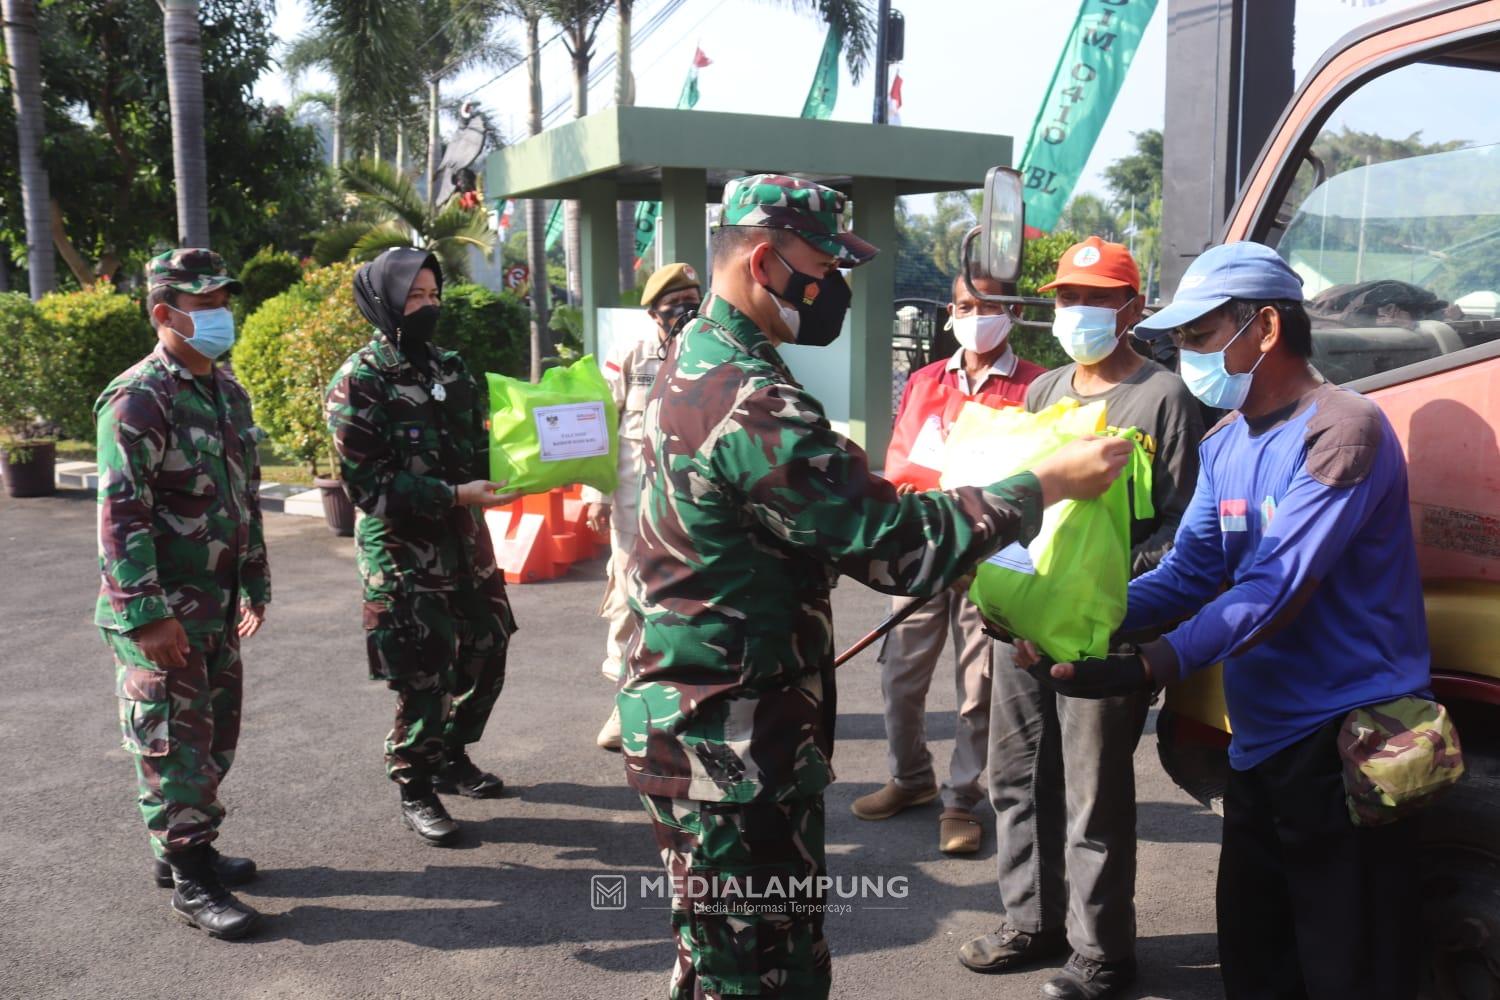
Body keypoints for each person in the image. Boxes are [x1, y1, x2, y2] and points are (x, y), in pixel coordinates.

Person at [620, 173, 1133, 1000]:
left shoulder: (697, 359)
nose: (837, 289)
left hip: (700, 713)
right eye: (827, 266)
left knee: (717, 952)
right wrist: (1043, 485)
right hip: (733, 736)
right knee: (760, 973)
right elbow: (892, 547)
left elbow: (789, 522)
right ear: (766, 261)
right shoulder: (751, 399)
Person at [1027, 241, 1431, 999]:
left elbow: (1275, 588)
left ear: (1266, 329)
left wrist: (1150, 665)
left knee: (1347, 966)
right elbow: (1190, 573)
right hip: (1261, 742)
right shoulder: (1224, 442)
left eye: (1199, 336)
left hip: (1347, 745)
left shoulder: (1342, 431)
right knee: (1257, 958)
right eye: (1178, 340)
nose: (1185, 356)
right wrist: (1079, 622)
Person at [962, 236, 1204, 999]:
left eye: (1097, 298)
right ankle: (1029, 921)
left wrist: (1104, 594)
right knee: (1015, 775)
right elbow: (1021, 504)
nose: (1079, 311)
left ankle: (1102, 952)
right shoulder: (1046, 390)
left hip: (1104, 628)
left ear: (1132, 309)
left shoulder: (1163, 397)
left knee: (1094, 793)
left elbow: (1178, 525)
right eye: (1068, 297)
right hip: (1022, 622)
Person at [96, 249, 269, 939]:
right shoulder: (139, 398)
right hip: (162, 611)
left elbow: (242, 497)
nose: (221, 315)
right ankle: (190, 878)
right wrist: (145, 617)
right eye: (205, 305)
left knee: (213, 734)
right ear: (164, 313)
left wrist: (253, 580)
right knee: (173, 746)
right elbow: (120, 514)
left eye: (225, 300)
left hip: (215, 604)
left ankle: (187, 850)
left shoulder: (225, 390)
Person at [325, 247, 519, 846]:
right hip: (404, 555)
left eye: (434, 295)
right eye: (415, 296)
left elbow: (485, 449)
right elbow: (367, 486)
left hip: (467, 544)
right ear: (383, 301)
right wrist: (454, 494)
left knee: (488, 647)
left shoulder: (452, 369)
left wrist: (537, 461)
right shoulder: (359, 381)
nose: (428, 306)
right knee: (423, 669)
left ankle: (453, 754)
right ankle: (415, 781)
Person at [852, 271, 1047, 855]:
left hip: (992, 552)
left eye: (987, 305)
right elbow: (903, 458)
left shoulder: (1037, 387)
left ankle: (962, 798)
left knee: (978, 681)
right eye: (964, 304)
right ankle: (910, 778)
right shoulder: (924, 380)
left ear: (1013, 311)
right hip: (920, 546)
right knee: (901, 674)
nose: (974, 314)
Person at [585, 261, 702, 752]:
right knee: (628, 608)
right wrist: (596, 494)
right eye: (673, 305)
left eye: (692, 301)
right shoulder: (631, 353)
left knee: (686, 607)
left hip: (690, 510)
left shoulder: (710, 353)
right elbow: (598, 425)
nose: (683, 312)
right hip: (634, 510)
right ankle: (624, 707)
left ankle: (683, 702)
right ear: (654, 312)